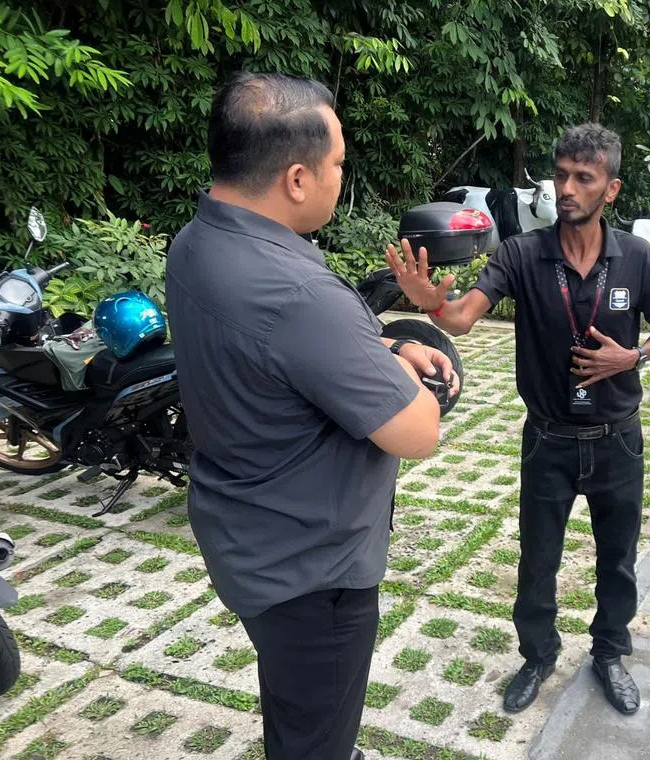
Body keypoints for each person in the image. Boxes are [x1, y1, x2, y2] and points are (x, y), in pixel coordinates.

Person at [165, 71, 459, 760]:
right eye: (336, 166)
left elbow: (277, 358)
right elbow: (417, 432)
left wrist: (383, 346)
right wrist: (411, 369)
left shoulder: (197, 244)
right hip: (313, 570)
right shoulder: (296, 290)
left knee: (298, 704)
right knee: (317, 733)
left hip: (246, 536)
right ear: (297, 178)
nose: (338, 178)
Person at [385, 123, 650, 716]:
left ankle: (609, 653)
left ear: (611, 189)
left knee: (617, 556)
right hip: (547, 438)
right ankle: (538, 654)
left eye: (583, 178)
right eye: (561, 175)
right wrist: (432, 305)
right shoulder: (522, 254)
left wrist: (634, 356)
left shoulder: (638, 258)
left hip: (618, 438)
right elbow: (465, 317)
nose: (566, 189)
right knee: (538, 556)